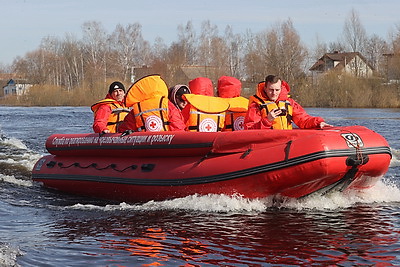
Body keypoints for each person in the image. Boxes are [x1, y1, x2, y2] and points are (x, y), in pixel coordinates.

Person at [244, 75, 331, 130]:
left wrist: (318, 123)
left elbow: (303, 120)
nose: (274, 93)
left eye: (277, 90)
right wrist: (267, 120)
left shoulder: (289, 103)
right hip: (267, 145)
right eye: (271, 90)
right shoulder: (256, 105)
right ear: (265, 88)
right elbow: (249, 129)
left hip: (285, 142)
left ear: (281, 89)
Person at [118, 74, 185, 132]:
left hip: (143, 144)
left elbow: (124, 129)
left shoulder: (136, 108)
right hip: (166, 143)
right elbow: (178, 125)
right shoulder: (166, 104)